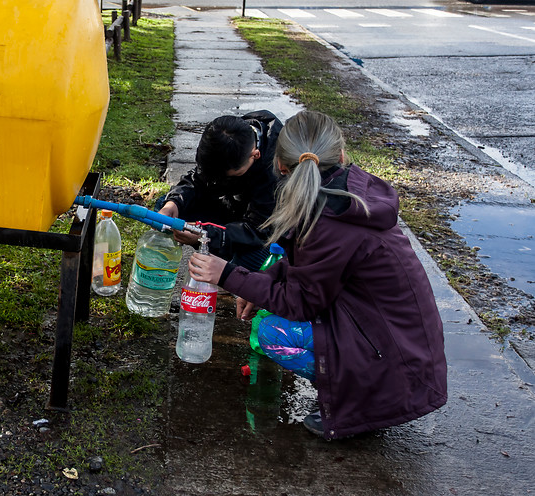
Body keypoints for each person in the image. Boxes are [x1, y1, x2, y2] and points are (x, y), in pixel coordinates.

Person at [187, 111, 448, 440]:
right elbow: (310, 271)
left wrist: (227, 275)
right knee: (270, 311)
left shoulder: (326, 221)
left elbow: (301, 302)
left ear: (280, 166)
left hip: (397, 362)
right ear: (340, 155)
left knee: (271, 333)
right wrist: (258, 285)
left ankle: (360, 403)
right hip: (398, 341)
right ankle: (357, 389)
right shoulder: (340, 195)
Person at [157, 110, 283, 271]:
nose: (217, 181)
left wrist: (206, 235)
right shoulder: (228, 138)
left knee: (254, 261)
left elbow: (259, 231)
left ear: (255, 155)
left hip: (263, 227)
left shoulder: (276, 169)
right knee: (166, 208)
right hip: (232, 207)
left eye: (228, 176)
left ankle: (229, 267)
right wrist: (173, 203)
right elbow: (197, 180)